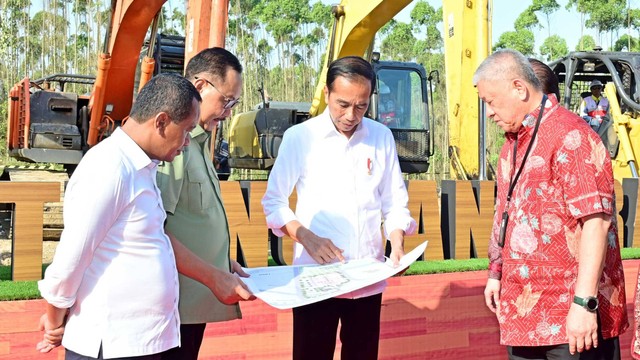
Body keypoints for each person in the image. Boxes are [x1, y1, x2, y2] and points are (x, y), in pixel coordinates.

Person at [36, 73, 253, 359]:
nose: (187, 142)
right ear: (161, 121)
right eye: (186, 130)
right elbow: (71, 258)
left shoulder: (141, 166)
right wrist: (53, 322)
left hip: (142, 341)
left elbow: (153, 239)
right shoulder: (110, 167)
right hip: (112, 344)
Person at [262, 56, 417, 360]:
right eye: (342, 104)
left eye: (360, 106)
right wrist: (306, 237)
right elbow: (274, 201)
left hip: (367, 277)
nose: (351, 115)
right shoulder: (301, 138)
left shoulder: (380, 136)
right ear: (326, 94)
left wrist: (396, 239)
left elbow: (394, 201)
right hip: (315, 279)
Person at [477, 49, 627, 360]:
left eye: (491, 101)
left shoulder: (571, 135)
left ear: (519, 88)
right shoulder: (511, 143)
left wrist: (584, 304)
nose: (489, 112)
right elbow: (505, 213)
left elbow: (595, 223)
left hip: (570, 319)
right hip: (523, 312)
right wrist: (496, 273)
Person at [155, 47, 246, 360]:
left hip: (193, 306)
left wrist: (222, 262)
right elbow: (155, 230)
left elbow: (192, 219)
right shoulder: (174, 147)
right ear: (201, 86)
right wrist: (211, 274)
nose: (229, 112)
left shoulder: (198, 143)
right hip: (174, 308)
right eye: (227, 100)